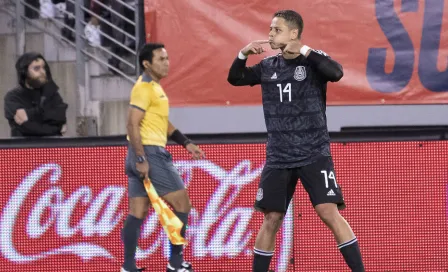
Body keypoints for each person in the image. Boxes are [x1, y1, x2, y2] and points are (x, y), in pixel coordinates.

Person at [227, 10, 365, 272]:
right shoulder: (268, 66)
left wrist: (305, 50)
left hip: (314, 153)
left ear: (293, 33)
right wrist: (243, 53)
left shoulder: (313, 61)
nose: (269, 34)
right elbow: (235, 78)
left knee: (328, 212)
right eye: (270, 29)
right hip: (279, 157)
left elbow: (336, 73)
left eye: (276, 30)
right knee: (271, 218)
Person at [122, 43, 205, 272]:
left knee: (137, 211)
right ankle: (175, 263)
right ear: (146, 63)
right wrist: (141, 159)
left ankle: (128, 267)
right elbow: (132, 123)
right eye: (161, 59)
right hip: (150, 153)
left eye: (167, 58)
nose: (167, 62)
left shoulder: (155, 88)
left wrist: (185, 142)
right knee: (182, 204)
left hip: (142, 153)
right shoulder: (144, 87)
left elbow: (162, 123)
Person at [4, 52, 68, 137]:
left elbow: (60, 116)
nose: (43, 72)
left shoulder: (51, 93)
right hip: (25, 148)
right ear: (24, 72)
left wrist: (28, 114)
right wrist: (56, 129)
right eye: (36, 68)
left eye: (44, 68)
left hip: (52, 147)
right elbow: (25, 128)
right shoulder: (13, 97)